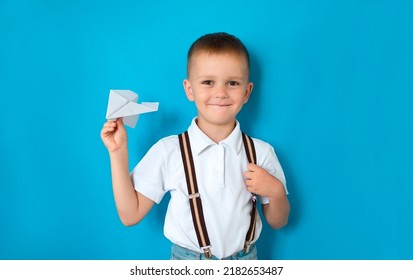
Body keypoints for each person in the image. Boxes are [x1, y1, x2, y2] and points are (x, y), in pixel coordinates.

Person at [100, 32, 290, 260]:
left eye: (232, 83)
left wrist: (276, 192)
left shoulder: (261, 152)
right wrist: (118, 152)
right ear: (190, 89)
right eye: (208, 82)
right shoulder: (168, 151)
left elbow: (279, 221)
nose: (220, 93)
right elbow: (130, 215)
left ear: (247, 92)